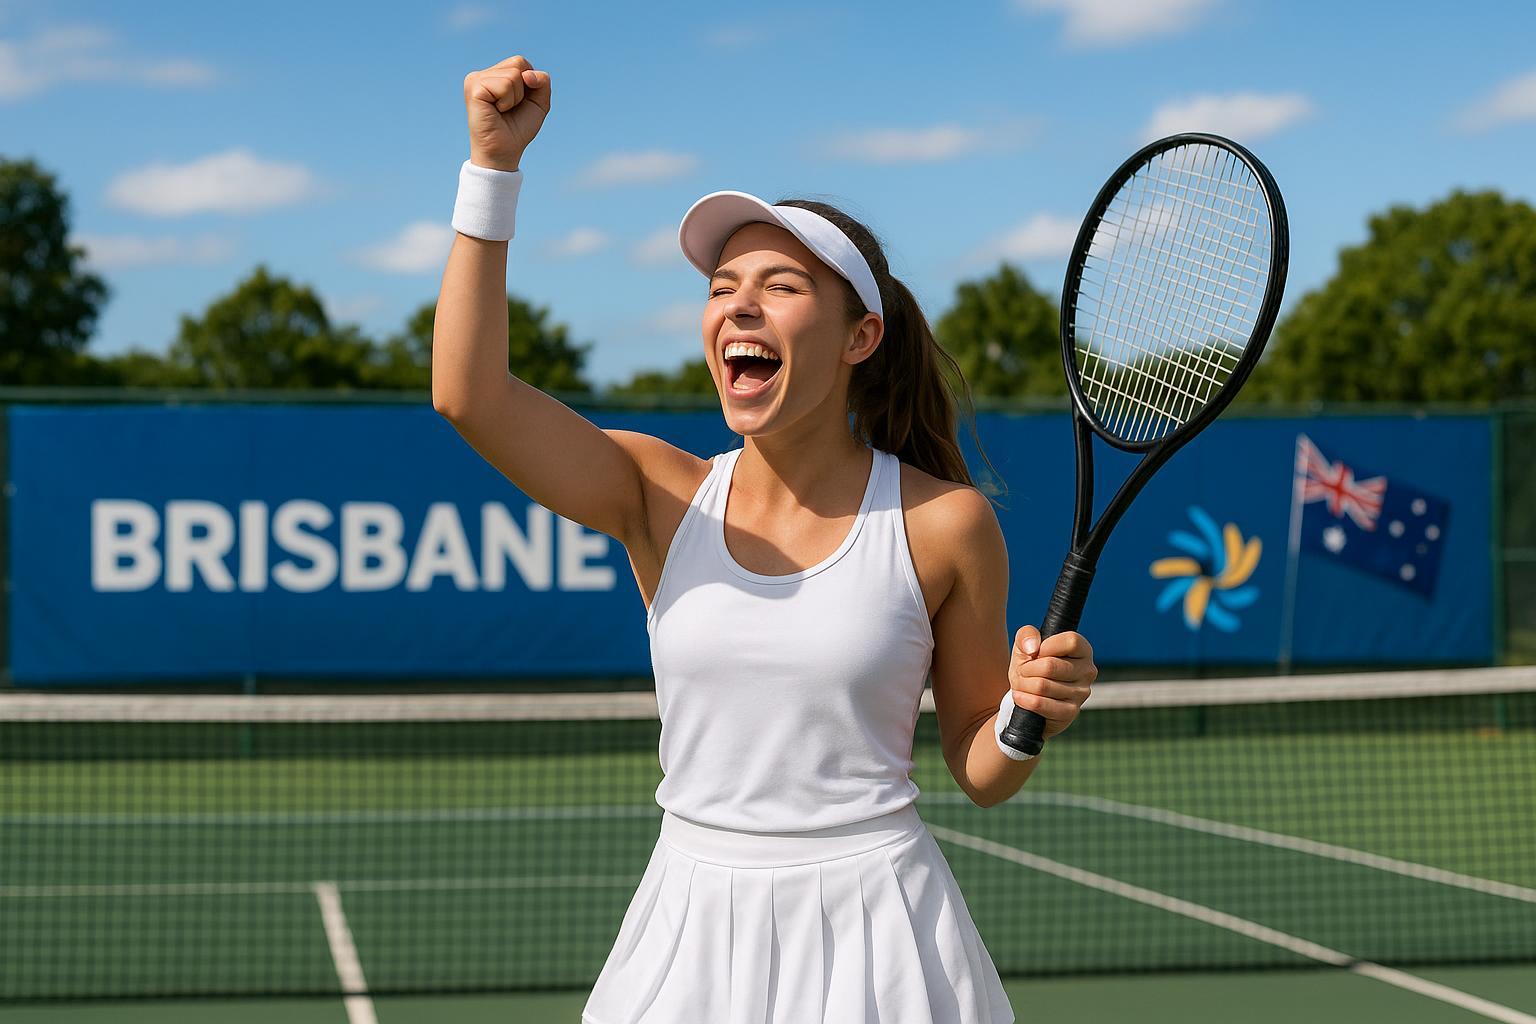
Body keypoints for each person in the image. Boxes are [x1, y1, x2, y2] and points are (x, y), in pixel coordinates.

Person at [436, 55, 1098, 1024]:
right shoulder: (656, 492)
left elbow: (979, 768)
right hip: (688, 926)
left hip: (882, 931)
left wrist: (1031, 713)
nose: (737, 303)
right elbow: (469, 395)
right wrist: (491, 166)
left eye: (779, 285)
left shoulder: (945, 521)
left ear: (858, 337)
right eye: (720, 285)